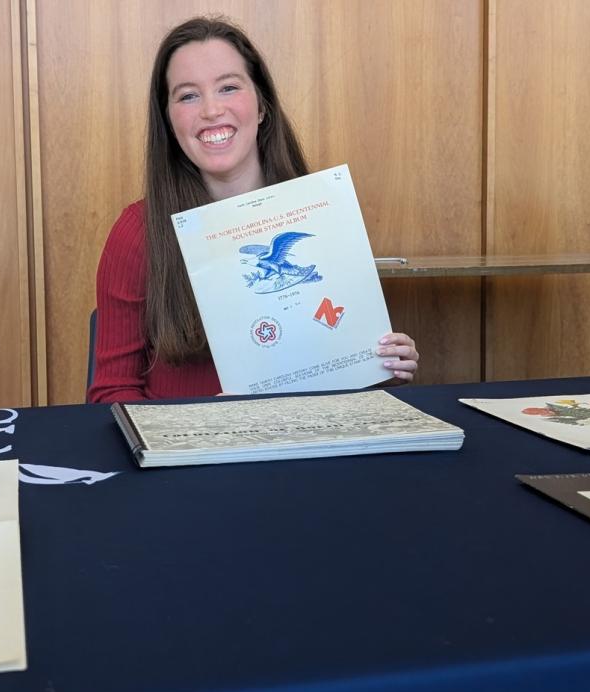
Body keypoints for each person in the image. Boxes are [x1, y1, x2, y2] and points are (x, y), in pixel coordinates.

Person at [87, 16, 420, 404]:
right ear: (169, 120)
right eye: (188, 95)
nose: (211, 110)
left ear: (262, 106)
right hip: (195, 460)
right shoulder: (137, 233)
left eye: (228, 87)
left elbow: (340, 364)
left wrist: (384, 365)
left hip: (311, 448)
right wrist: (204, 427)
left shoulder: (324, 214)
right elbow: (110, 395)